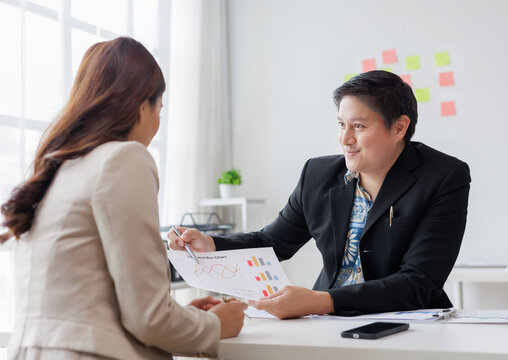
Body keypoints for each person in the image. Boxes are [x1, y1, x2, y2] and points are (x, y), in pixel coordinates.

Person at [0, 37, 246, 359]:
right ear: (143, 106)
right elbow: (149, 319)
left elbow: (91, 300)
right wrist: (214, 325)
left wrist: (187, 315)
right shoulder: (124, 159)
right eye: (161, 108)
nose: (158, 122)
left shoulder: (55, 168)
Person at [169, 70, 471, 319]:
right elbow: (272, 242)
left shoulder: (444, 176)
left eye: (358, 126)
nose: (345, 139)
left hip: (409, 322)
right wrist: (211, 244)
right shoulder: (317, 175)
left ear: (399, 127)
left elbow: (418, 282)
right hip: (326, 323)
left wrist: (321, 301)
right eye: (341, 124)